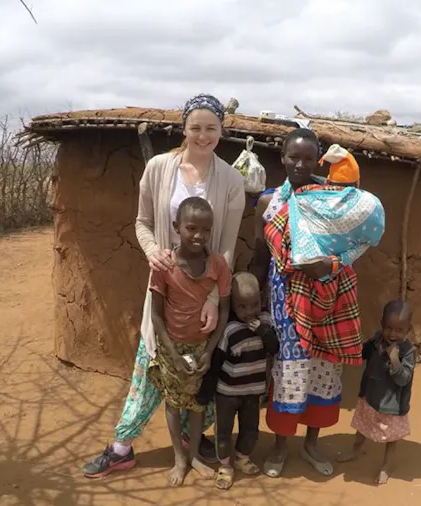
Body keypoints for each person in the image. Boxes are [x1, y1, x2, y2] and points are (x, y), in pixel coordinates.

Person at [82, 93, 245, 478]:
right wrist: (154, 250)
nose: (203, 136)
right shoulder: (158, 168)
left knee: (199, 368)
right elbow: (141, 221)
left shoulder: (232, 181)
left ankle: (193, 437)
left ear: (222, 130)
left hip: (204, 291)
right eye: (195, 128)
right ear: (183, 128)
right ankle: (122, 446)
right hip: (164, 287)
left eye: (211, 128)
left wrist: (211, 298)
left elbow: (227, 245)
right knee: (152, 361)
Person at [249, 128, 383, 478]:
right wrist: (259, 306)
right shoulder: (269, 202)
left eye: (309, 158)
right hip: (283, 301)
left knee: (324, 371)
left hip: (328, 299)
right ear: (281, 157)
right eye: (293, 156)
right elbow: (259, 257)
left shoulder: (334, 196)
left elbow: (358, 240)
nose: (300, 164)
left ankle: (311, 444)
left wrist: (331, 266)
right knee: (287, 371)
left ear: (318, 159)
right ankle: (280, 447)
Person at [148, 196, 232, 486]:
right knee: (173, 404)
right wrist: (171, 353)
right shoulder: (164, 266)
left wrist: (208, 353)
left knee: (196, 405)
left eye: (205, 230)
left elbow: (224, 312)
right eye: (191, 228)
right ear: (176, 227)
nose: (199, 236)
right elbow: (156, 315)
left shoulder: (218, 265)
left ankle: (193, 454)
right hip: (172, 346)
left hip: (201, 348)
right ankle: (179, 458)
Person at [197, 272, 278, 490]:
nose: (250, 311)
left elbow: (274, 348)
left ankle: (242, 458)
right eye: (242, 306)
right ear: (232, 305)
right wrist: (206, 391)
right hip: (227, 393)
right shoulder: (230, 330)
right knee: (223, 431)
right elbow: (216, 363)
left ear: (261, 300)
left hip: (253, 392)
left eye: (254, 304)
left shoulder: (267, 322)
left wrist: (263, 332)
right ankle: (225, 466)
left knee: (251, 428)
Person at [336, 300, 416, 485]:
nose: (393, 334)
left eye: (399, 330)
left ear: (408, 330)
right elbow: (362, 353)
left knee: (391, 436)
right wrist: (356, 341)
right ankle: (356, 450)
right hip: (370, 396)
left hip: (392, 403)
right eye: (389, 328)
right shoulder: (377, 339)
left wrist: (395, 362)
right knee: (362, 426)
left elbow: (404, 379)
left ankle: (386, 466)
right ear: (381, 325)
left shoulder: (408, 351)